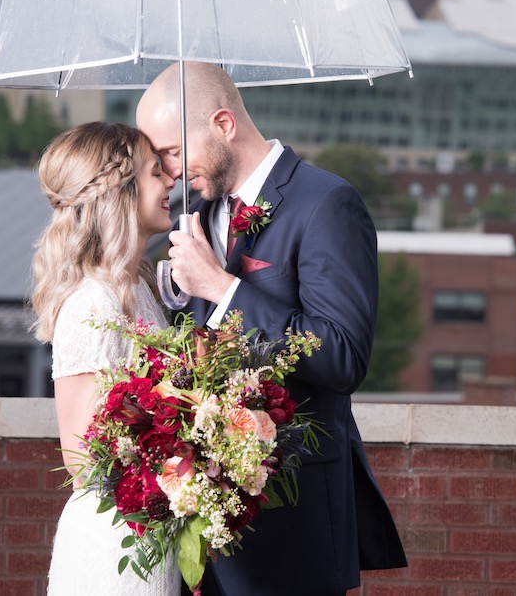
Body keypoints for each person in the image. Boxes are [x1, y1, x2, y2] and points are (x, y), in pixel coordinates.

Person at [136, 62, 407, 596]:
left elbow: (343, 355)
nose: (168, 171)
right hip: (200, 531)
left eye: (171, 151)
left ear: (223, 124)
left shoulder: (327, 204)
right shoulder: (192, 211)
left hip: (294, 523)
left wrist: (223, 288)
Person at [31, 121, 181, 596]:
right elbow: (84, 461)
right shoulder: (94, 302)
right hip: (115, 542)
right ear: (121, 190)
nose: (171, 180)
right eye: (157, 171)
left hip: (149, 533)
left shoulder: (137, 289)